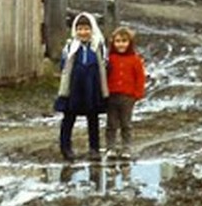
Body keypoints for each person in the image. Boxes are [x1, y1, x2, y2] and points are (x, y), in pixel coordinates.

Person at [55, 12, 108, 161]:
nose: (83, 32)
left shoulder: (98, 46)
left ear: (92, 29)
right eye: (79, 29)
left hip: (92, 87)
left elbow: (104, 65)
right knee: (69, 117)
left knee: (93, 118)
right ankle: (66, 147)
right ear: (75, 30)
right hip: (74, 88)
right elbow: (64, 66)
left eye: (86, 29)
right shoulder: (71, 47)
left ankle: (94, 148)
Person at [105, 26, 147, 159]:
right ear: (113, 42)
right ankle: (110, 147)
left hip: (128, 97)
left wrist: (137, 94)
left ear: (129, 43)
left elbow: (140, 77)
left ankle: (126, 148)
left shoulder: (135, 60)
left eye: (124, 41)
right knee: (111, 123)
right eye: (118, 41)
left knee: (126, 124)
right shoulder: (109, 58)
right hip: (111, 95)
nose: (121, 44)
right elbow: (104, 75)